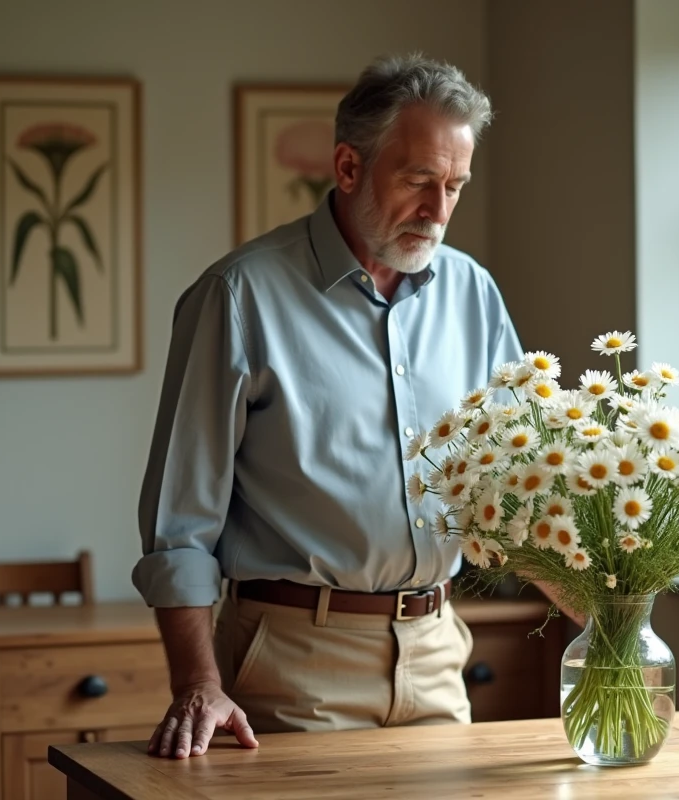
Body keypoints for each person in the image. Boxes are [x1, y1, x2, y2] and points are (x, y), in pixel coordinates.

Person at [132, 53, 527, 761]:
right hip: (291, 665)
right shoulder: (238, 297)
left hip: (438, 654)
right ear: (348, 167)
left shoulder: (474, 295)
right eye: (418, 181)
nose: (438, 211)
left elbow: (526, 488)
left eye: (455, 187)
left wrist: (612, 618)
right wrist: (198, 683)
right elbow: (179, 529)